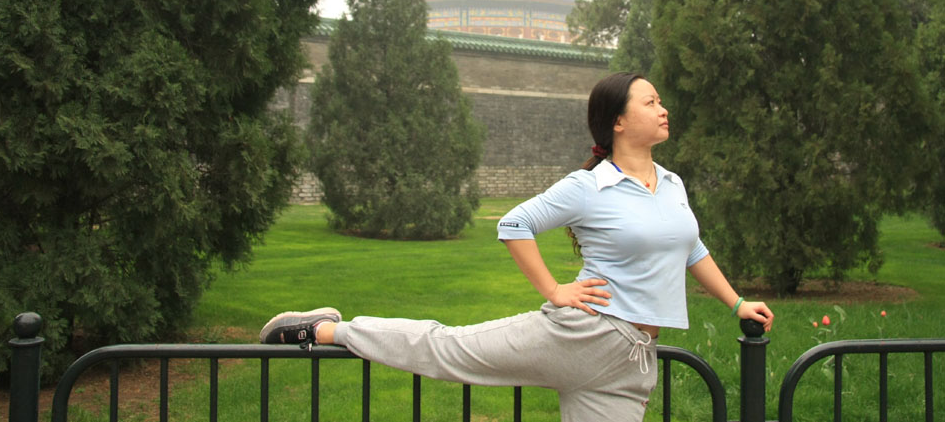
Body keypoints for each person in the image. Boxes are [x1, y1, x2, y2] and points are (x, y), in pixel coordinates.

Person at [260, 71, 774, 421]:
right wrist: (555, 290)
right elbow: (514, 224)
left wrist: (736, 302)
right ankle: (322, 329)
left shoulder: (672, 183)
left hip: (633, 361)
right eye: (651, 102)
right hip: (584, 337)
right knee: (448, 346)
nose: (664, 109)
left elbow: (692, 250)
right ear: (618, 121)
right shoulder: (588, 185)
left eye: (660, 101)